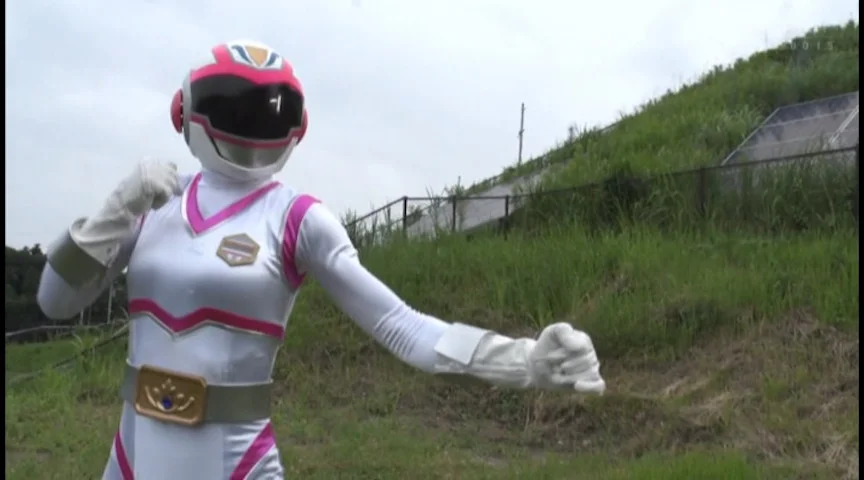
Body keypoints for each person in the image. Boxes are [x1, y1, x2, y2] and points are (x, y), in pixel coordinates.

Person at [36, 39, 606, 480]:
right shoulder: (152, 200)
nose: (252, 123)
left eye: (269, 109)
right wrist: (116, 208)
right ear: (185, 109)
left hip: (236, 461)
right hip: (132, 455)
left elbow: (402, 325)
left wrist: (524, 360)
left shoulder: (297, 219)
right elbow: (54, 301)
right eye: (233, 104)